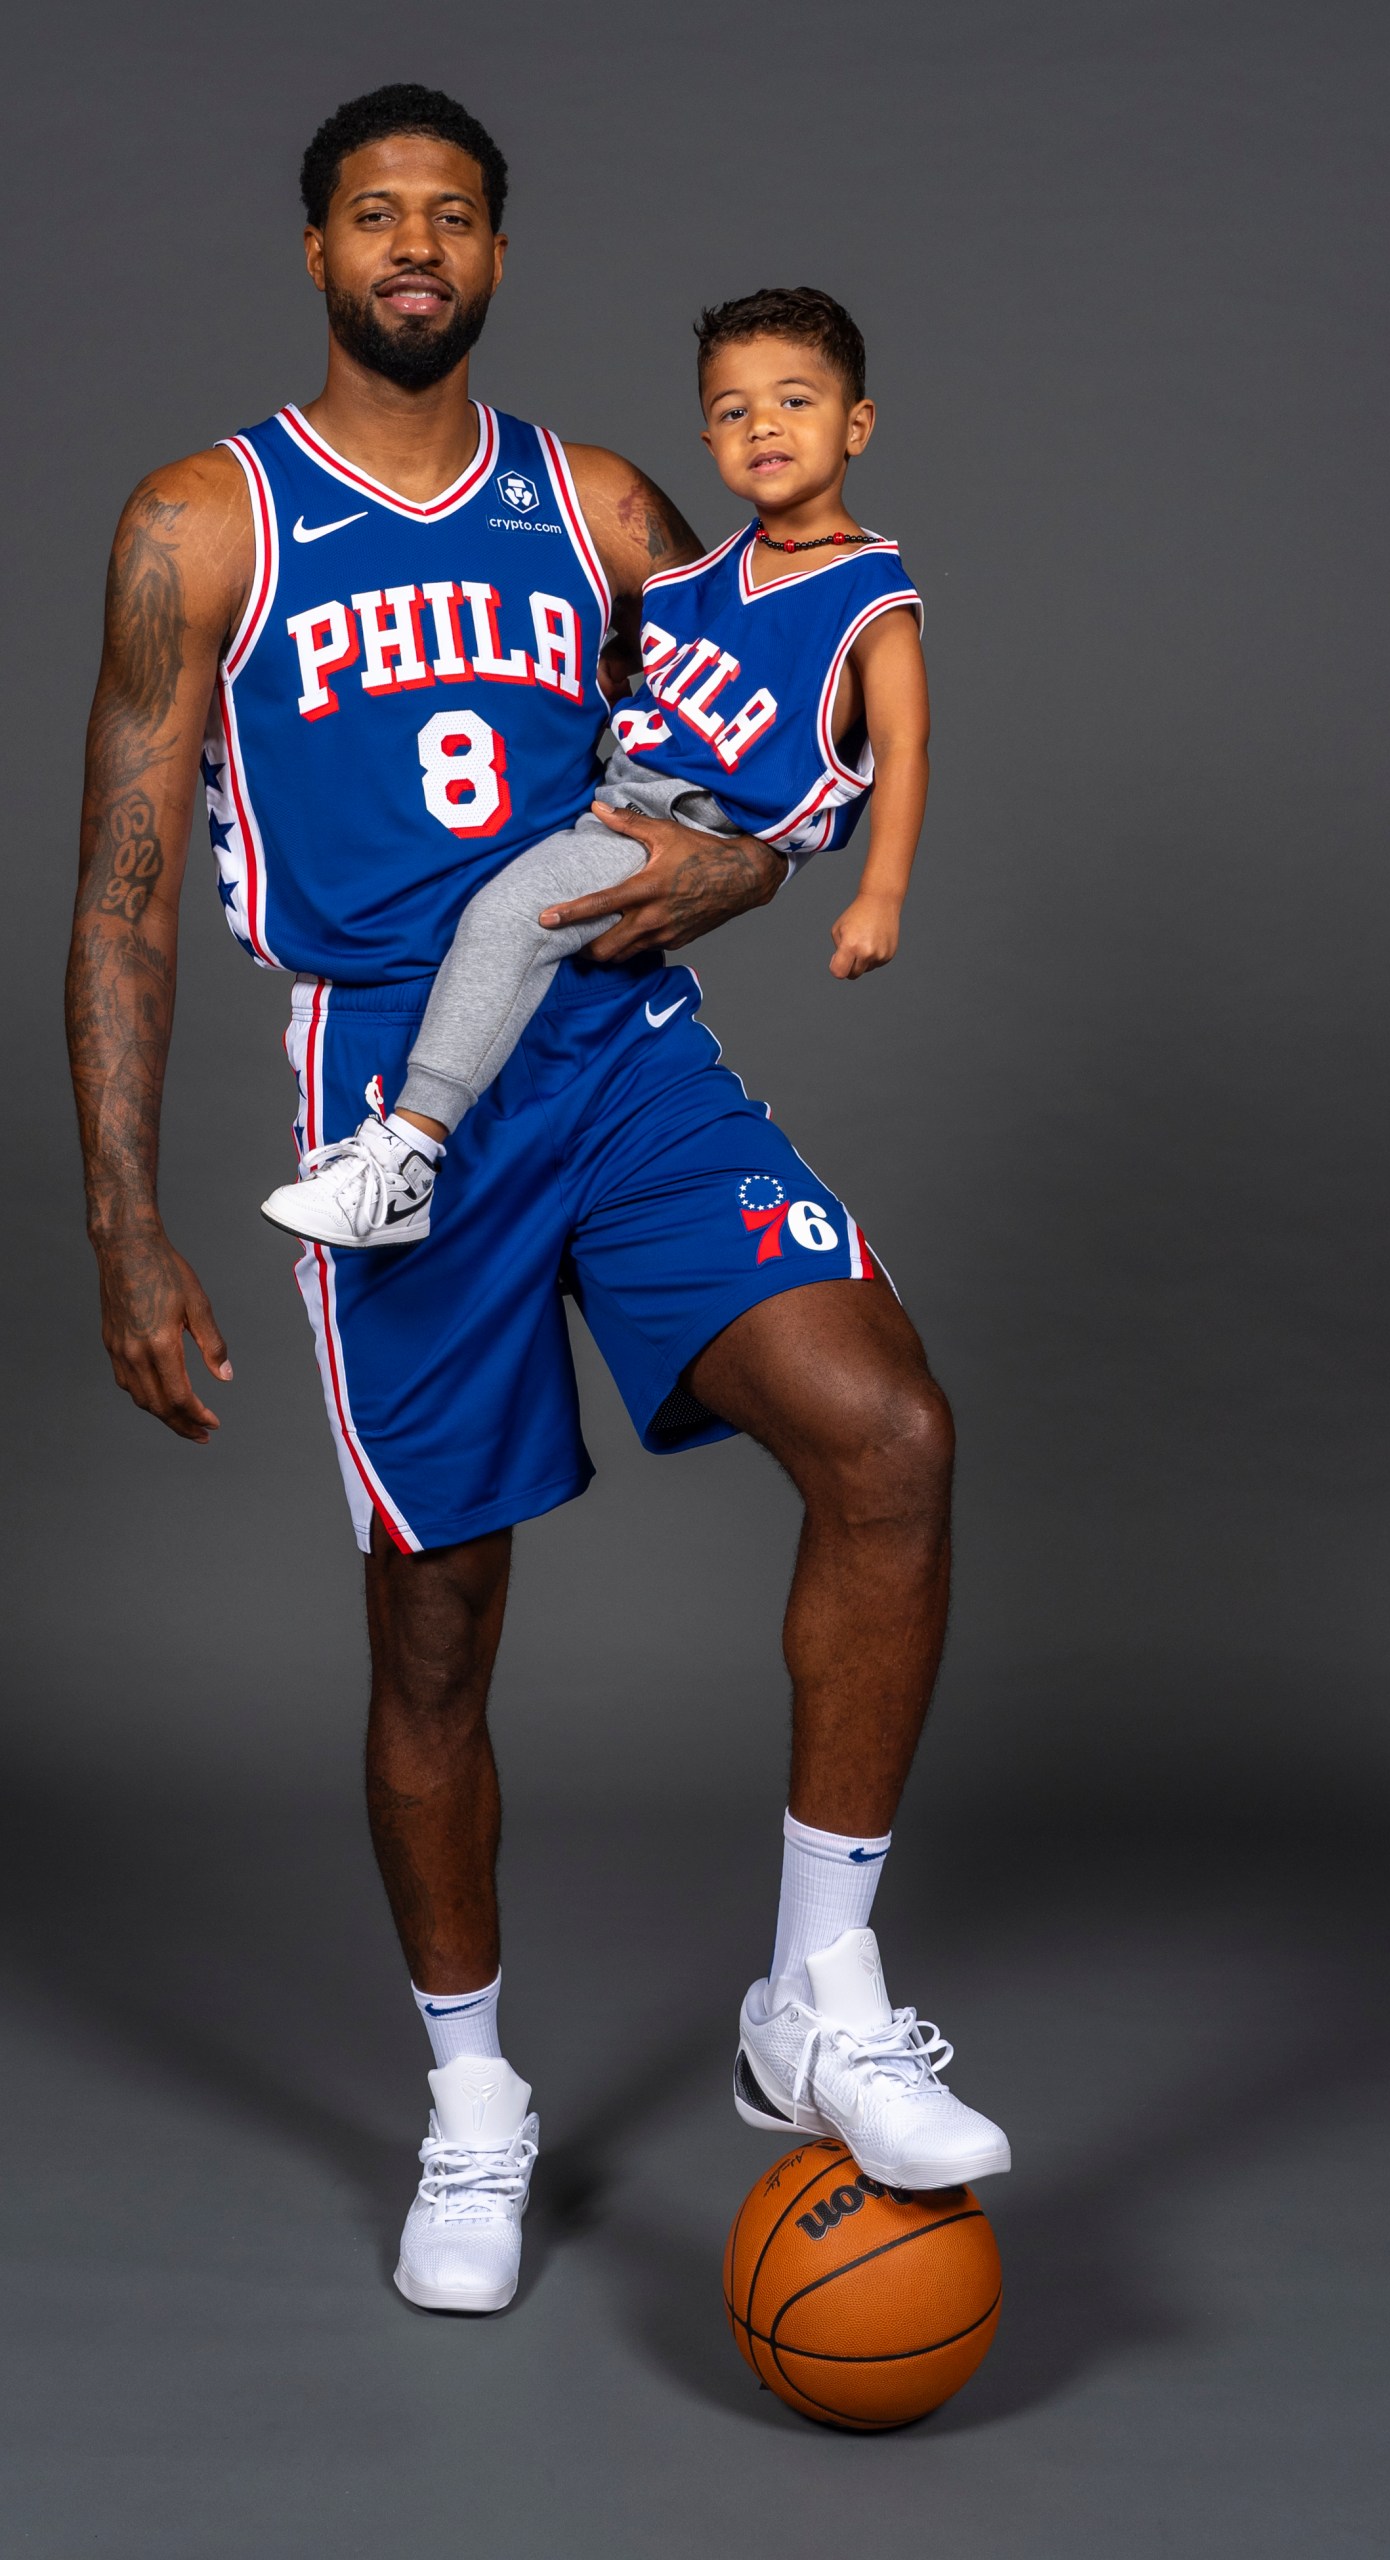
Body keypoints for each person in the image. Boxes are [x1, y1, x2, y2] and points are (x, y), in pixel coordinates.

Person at [64, 82, 1009, 2320]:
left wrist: (762, 866)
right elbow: (119, 888)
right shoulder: (205, 519)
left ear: (499, 255)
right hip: (396, 1076)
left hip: (623, 1052)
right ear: (317, 251)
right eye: (378, 215)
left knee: (887, 1433)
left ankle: (818, 1992)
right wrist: (119, 1216)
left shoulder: (598, 501)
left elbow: (734, 752)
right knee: (440, 1619)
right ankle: (475, 2102)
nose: (418, 245)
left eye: (456, 216)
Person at [258, 285, 930, 1251]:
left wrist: (881, 895)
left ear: (856, 424)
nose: (763, 425)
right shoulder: (699, 575)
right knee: (500, 917)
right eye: (733, 410)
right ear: (708, 441)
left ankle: (403, 1156)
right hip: (616, 799)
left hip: (684, 829)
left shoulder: (871, 593)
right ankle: (420, 1148)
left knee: (506, 916)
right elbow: (637, 678)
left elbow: (904, 746)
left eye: (795, 400)